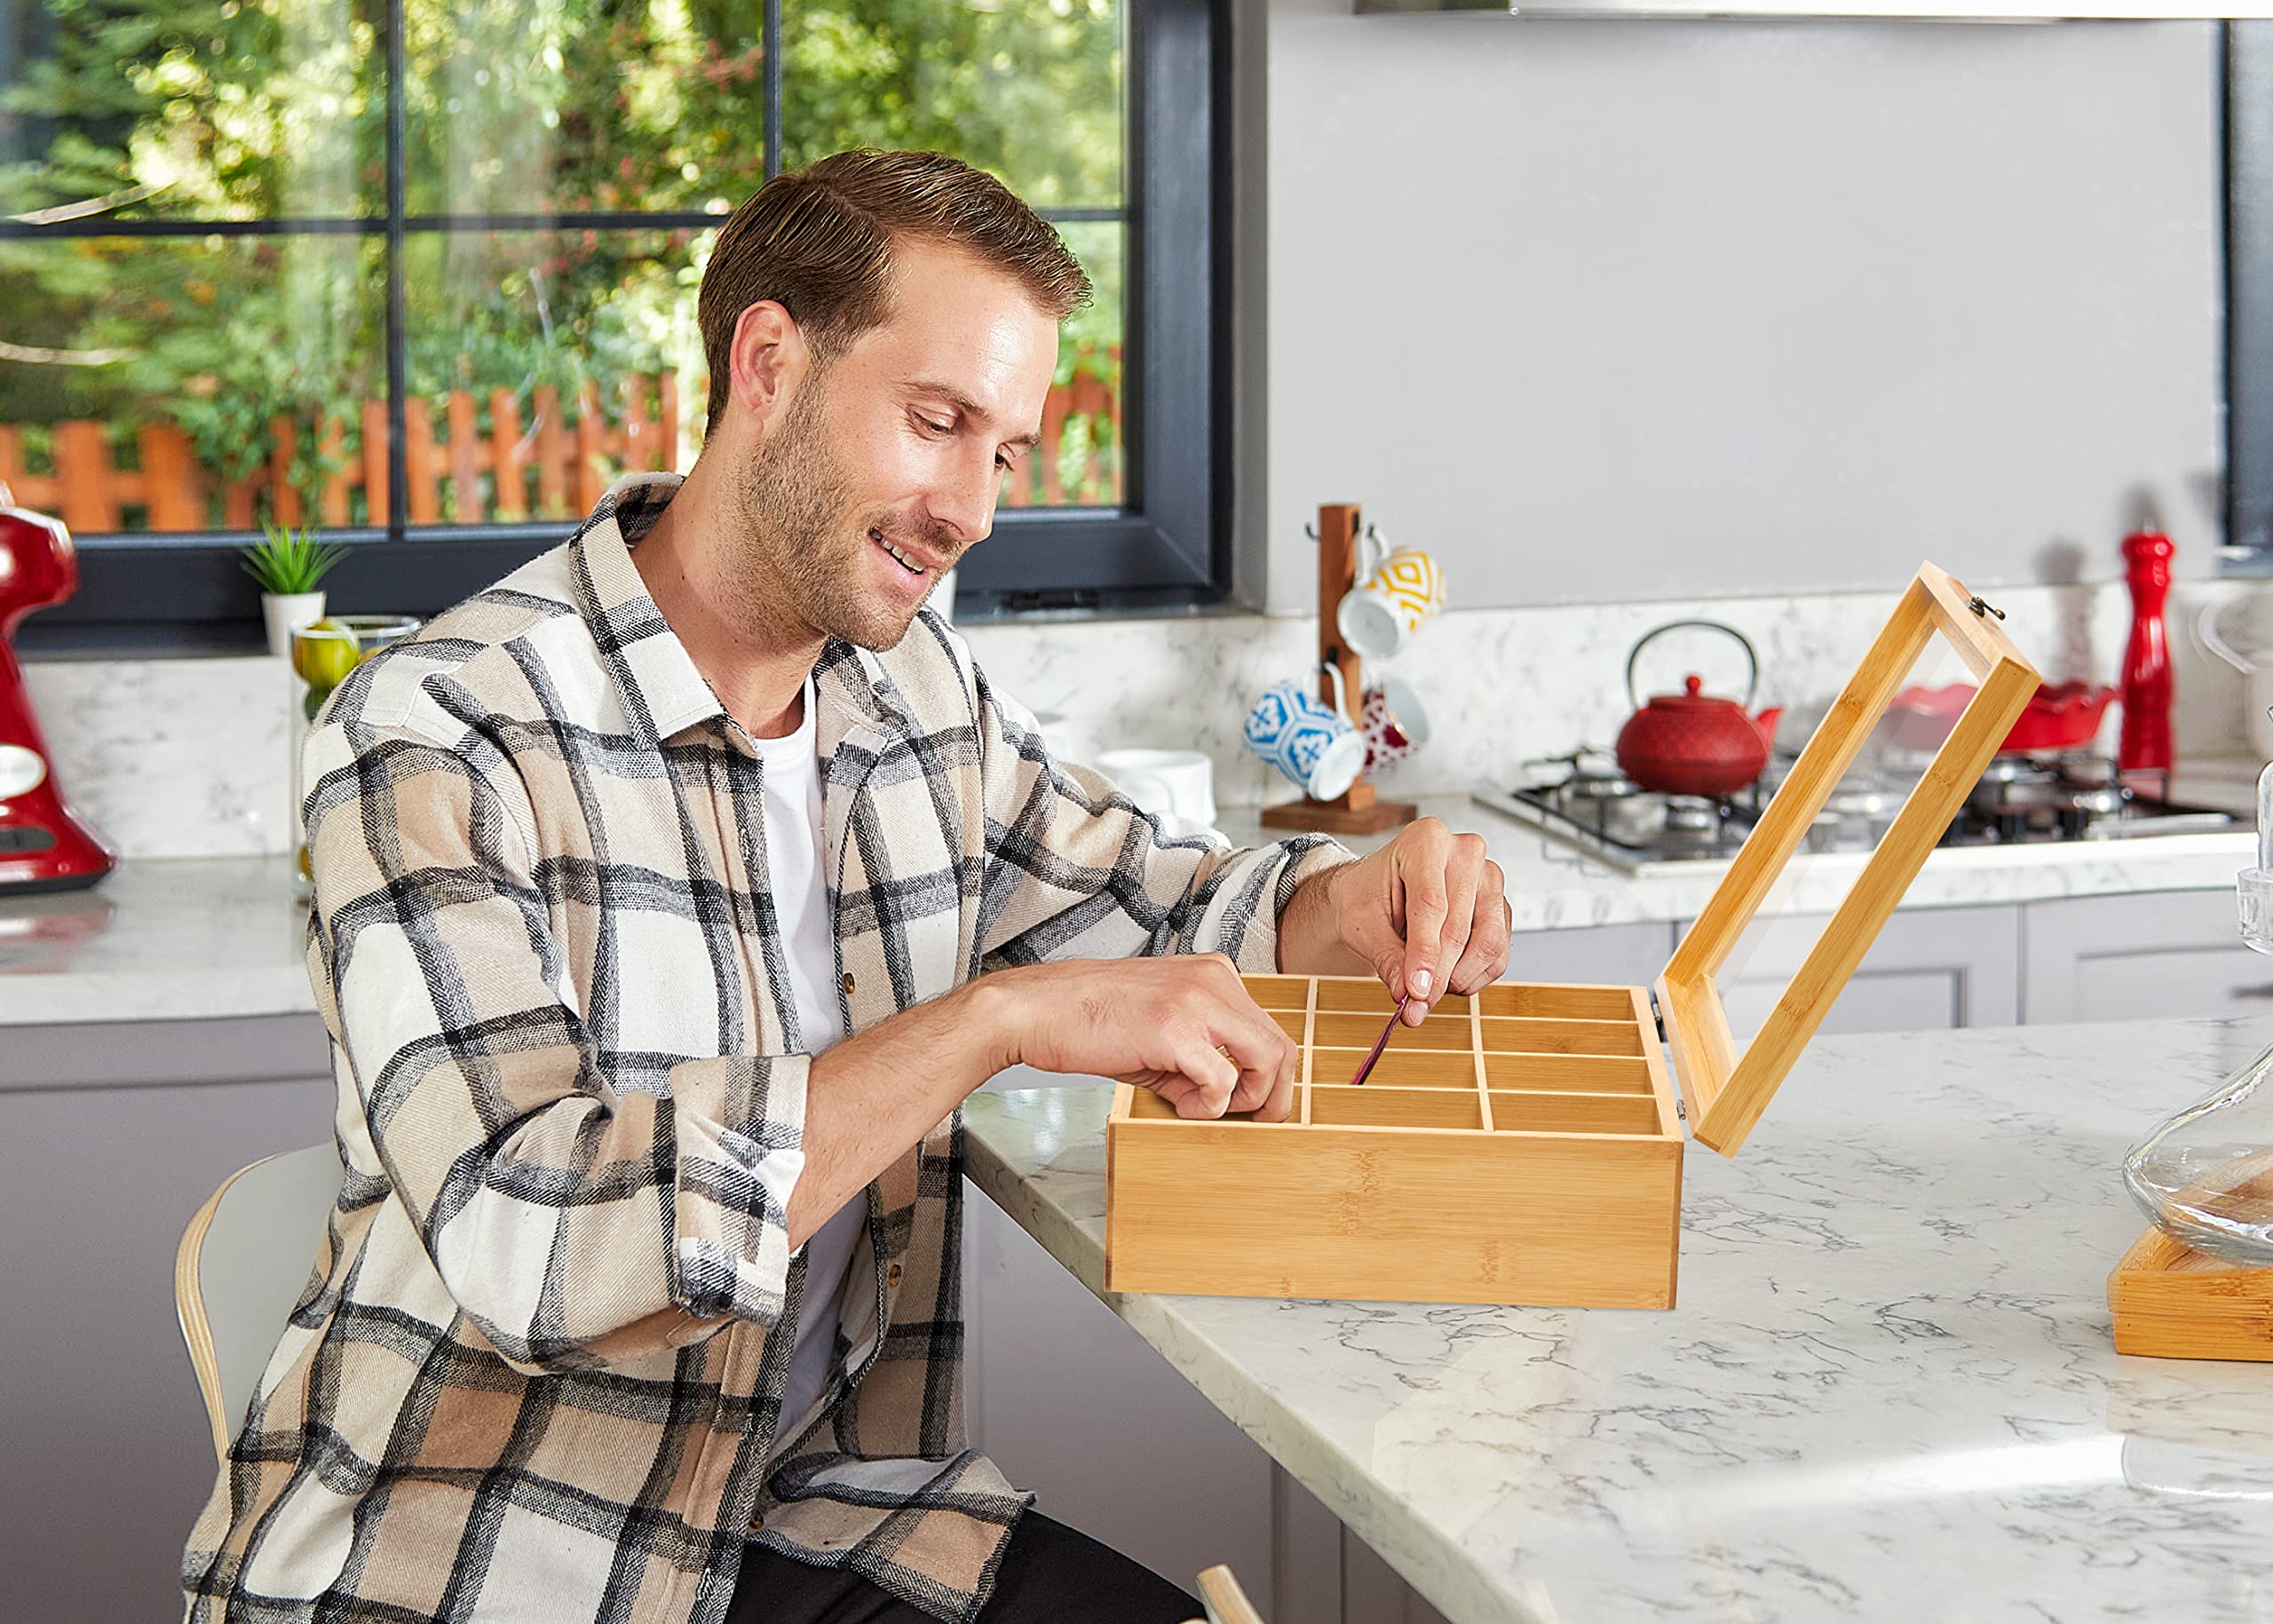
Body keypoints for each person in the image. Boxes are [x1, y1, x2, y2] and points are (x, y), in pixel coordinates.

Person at [182, 148, 1510, 1624]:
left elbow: (1166, 907)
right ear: (768, 362)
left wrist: (1361, 894)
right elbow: (531, 1242)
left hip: (806, 1519)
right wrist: (991, 1022)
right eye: (937, 421)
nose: (976, 508)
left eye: (1004, 450)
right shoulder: (435, 731)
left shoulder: (910, 699)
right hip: (476, 1563)